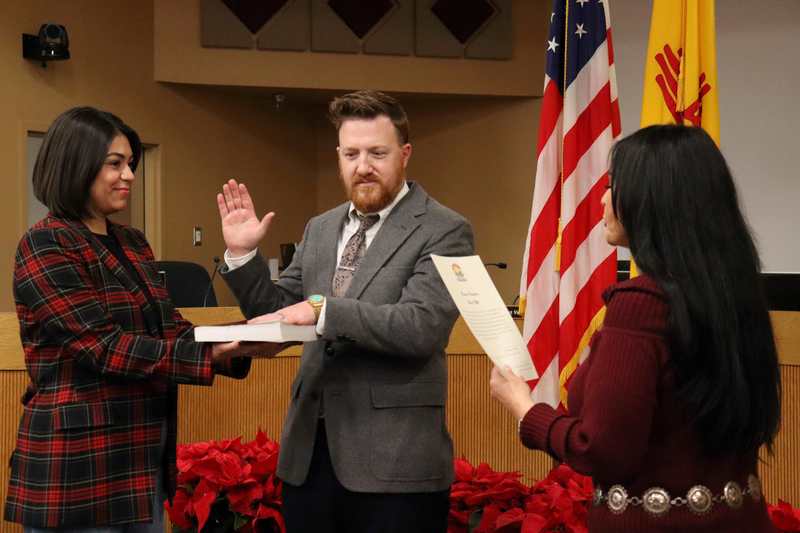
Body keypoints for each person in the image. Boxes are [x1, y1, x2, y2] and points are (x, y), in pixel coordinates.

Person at [490, 124, 781, 532]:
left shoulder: (640, 304)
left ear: (651, 201)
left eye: (615, 186)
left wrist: (524, 410)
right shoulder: (736, 295)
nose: (604, 198)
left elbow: (604, 452)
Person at [217, 90, 474, 532]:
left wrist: (322, 309)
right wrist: (242, 257)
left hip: (396, 466)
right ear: (338, 157)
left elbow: (421, 327)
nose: (363, 166)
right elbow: (281, 313)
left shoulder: (445, 229)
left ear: (405, 154)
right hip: (309, 458)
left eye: (378, 152)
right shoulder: (320, 228)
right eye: (351, 154)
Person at [5, 107, 265, 533]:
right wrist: (211, 352)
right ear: (76, 164)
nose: (128, 175)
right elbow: (102, 347)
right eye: (114, 164)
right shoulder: (46, 242)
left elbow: (169, 327)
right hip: (79, 469)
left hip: (141, 459)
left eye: (130, 164)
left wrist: (243, 340)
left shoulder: (131, 241)